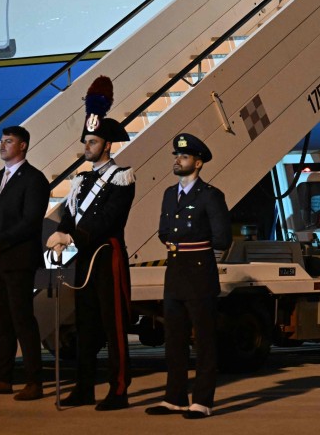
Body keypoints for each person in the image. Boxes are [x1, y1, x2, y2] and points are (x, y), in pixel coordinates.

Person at [47, 76, 135, 411]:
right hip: (84, 259)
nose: (87, 146)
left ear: (107, 145)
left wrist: (72, 235)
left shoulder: (122, 178)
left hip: (107, 256)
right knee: (84, 326)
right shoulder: (80, 181)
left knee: (113, 327)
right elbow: (71, 217)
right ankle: (84, 388)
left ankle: (119, 390)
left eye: (93, 141)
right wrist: (59, 234)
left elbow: (107, 220)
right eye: (86, 141)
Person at [145, 133, 231, 420]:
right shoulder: (170, 194)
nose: (177, 160)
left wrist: (188, 240)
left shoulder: (210, 196)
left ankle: (202, 401)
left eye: (183, 157)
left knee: (204, 342)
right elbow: (163, 232)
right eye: (176, 156)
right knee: (174, 341)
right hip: (175, 275)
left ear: (198, 163)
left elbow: (222, 238)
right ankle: (175, 397)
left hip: (199, 274)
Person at [0, 125, 50, 401]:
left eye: (9, 141)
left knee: (22, 320)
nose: (2, 146)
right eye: (2, 141)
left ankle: (34, 382)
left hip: (17, 261)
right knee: (2, 323)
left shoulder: (35, 180)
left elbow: (29, 222)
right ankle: (1, 378)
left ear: (23, 146)